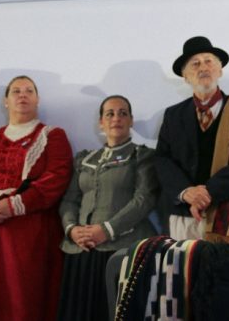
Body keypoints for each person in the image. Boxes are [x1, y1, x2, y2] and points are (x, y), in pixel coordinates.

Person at [0, 75, 72, 321]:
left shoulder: (52, 136)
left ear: (37, 100)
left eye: (29, 90)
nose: (22, 95)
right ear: (5, 101)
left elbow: (57, 177)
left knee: (22, 297)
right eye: (16, 91)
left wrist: (15, 204)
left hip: (27, 232)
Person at [57, 94, 159, 321]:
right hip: (82, 250)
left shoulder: (142, 156)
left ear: (131, 120)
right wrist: (72, 229)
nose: (116, 118)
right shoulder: (84, 159)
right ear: (101, 122)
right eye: (110, 114)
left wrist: (107, 230)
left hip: (124, 249)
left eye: (123, 113)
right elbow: (69, 200)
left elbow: (144, 199)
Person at [154, 36, 229, 241]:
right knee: (185, 262)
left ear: (220, 70)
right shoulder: (173, 115)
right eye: (195, 64)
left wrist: (209, 192)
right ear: (185, 76)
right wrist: (186, 192)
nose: (203, 67)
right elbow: (162, 159)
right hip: (184, 216)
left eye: (208, 61)